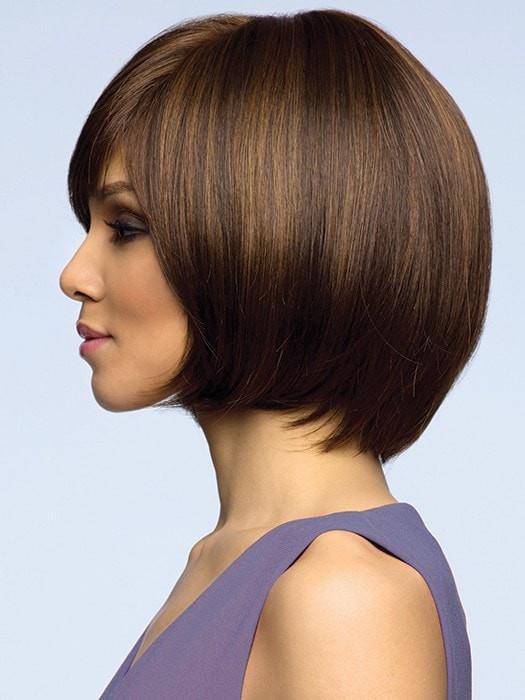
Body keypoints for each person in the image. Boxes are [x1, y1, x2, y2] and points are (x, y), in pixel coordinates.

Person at [59, 9, 490, 699]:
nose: (74, 275)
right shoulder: (233, 564)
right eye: (91, 224)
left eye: (127, 226)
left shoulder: (343, 596)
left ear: (277, 240)